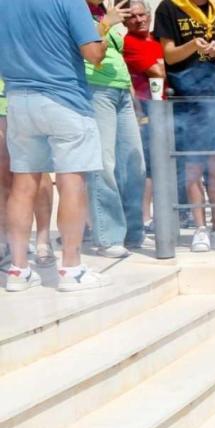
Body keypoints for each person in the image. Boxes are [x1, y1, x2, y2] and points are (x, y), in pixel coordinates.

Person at [0, 0, 110, 292]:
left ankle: (18, 270)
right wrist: (106, 28)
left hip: (18, 100)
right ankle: (71, 268)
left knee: (23, 185)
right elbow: (93, 54)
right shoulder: (70, 1)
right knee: (72, 182)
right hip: (65, 99)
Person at [153, 0, 215, 253]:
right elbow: (168, 54)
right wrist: (192, 45)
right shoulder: (168, 8)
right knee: (193, 167)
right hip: (187, 96)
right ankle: (200, 228)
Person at [85, 0, 147, 257]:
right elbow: (82, 50)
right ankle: (108, 237)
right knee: (104, 163)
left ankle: (132, 232)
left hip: (121, 90)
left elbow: (118, 55)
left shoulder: (105, 12)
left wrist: (133, 96)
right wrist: (106, 24)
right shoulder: (75, 10)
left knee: (135, 163)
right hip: (95, 88)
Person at [0, 77, 57, 271]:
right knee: (3, 170)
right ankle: (6, 240)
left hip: (25, 92)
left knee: (37, 170)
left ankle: (43, 239)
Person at [123, 0, 166, 233]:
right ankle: (144, 218)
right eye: (133, 16)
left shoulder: (158, 38)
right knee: (149, 166)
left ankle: (162, 215)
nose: (139, 20)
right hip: (145, 109)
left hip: (166, 107)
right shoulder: (129, 42)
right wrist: (161, 63)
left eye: (142, 15)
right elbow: (158, 72)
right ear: (124, 20)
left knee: (165, 165)